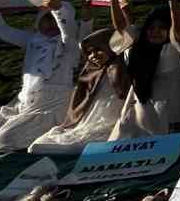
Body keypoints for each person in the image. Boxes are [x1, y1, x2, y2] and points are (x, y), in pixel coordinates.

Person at [0, 0, 82, 149]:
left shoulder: (71, 46)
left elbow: (68, 30)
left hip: (49, 108)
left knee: (4, 141)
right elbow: (0, 30)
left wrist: (59, 9)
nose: (51, 25)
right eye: (46, 20)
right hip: (21, 104)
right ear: (38, 21)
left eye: (55, 20)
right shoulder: (32, 40)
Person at [108, 0, 180, 139]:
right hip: (138, 104)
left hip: (171, 102)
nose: (155, 31)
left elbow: (179, 29)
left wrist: (172, 1)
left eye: (162, 28)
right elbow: (121, 28)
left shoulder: (173, 47)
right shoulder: (137, 44)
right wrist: (113, 0)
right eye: (152, 27)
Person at [29, 26, 129, 154]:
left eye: (98, 50)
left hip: (115, 116)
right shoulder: (91, 70)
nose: (93, 56)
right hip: (93, 118)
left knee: (93, 141)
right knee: (46, 142)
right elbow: (83, 96)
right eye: (89, 53)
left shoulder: (122, 67)